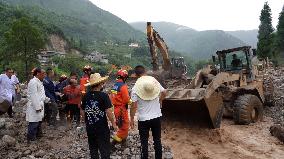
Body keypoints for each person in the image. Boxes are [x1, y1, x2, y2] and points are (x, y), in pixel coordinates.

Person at [130, 65, 167, 159]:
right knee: (157, 140)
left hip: (143, 120)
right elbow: (165, 92)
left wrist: (131, 119)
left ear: (136, 75)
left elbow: (133, 106)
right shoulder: (154, 81)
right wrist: (160, 100)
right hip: (156, 117)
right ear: (145, 71)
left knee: (144, 142)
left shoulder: (134, 89)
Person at [81, 73, 118, 159]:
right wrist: (113, 124)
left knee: (93, 149)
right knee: (104, 149)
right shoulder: (104, 96)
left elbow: (82, 110)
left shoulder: (86, 96)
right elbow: (109, 112)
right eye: (102, 83)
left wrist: (85, 121)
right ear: (100, 84)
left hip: (90, 127)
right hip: (102, 128)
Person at [26, 68, 49, 143]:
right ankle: (31, 138)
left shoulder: (39, 82)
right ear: (38, 74)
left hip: (39, 104)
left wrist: (47, 100)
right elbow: (33, 95)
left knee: (39, 121)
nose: (44, 75)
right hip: (34, 105)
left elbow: (41, 94)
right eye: (43, 74)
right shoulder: (33, 82)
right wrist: (37, 107)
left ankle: (38, 135)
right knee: (34, 122)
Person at [110, 69, 131, 148]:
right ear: (124, 77)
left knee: (121, 125)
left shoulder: (115, 86)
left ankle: (123, 143)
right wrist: (132, 102)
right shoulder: (123, 86)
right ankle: (112, 144)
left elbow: (112, 97)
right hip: (122, 109)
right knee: (125, 127)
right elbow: (126, 99)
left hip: (116, 109)